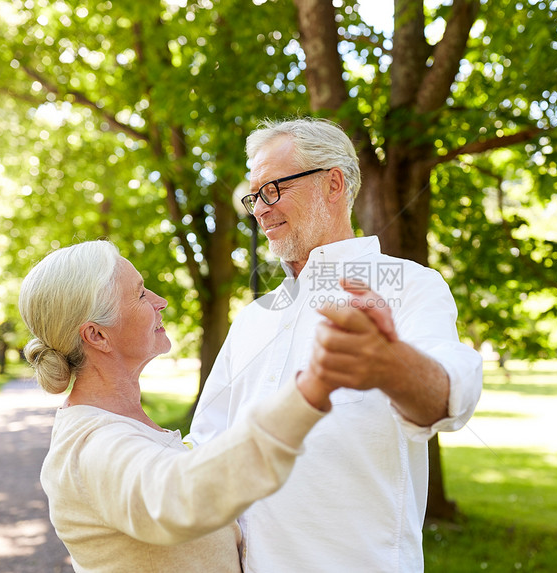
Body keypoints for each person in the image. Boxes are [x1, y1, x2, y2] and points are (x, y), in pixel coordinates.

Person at [188, 118, 484, 571]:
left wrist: (392, 366)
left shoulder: (409, 285)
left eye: (272, 189)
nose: (260, 209)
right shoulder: (252, 318)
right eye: (254, 197)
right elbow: (204, 451)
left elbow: (451, 396)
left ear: (333, 183)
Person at [18, 240, 397, 572]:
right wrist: (314, 387)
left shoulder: (123, 424)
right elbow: (180, 495)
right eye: (139, 294)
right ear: (97, 335)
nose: (160, 301)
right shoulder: (92, 448)